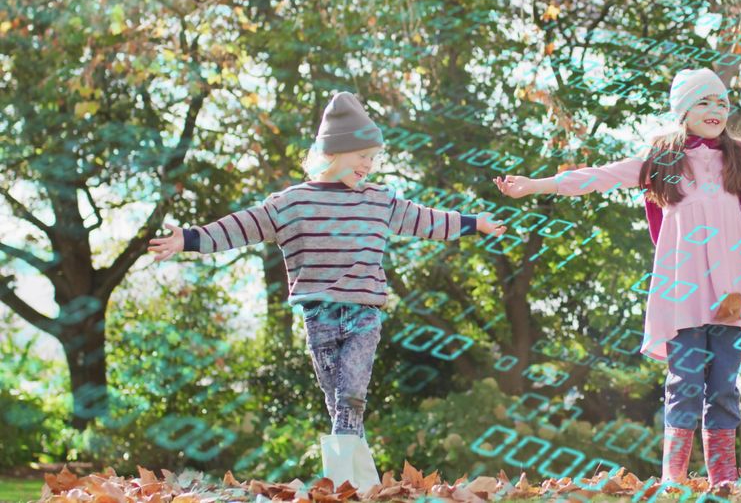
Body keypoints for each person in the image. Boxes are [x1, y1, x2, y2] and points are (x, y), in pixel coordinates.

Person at [494, 68, 741, 487]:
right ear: (683, 110)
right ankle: (672, 479)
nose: (715, 110)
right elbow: (597, 176)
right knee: (684, 383)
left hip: (732, 296)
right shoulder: (662, 162)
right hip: (683, 294)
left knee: (723, 387)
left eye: (721, 103)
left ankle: (723, 478)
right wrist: (535, 185)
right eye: (704, 102)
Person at [148, 91, 506, 491]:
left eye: (373, 157)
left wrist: (474, 223)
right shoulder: (292, 202)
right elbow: (242, 226)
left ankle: (338, 484)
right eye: (361, 156)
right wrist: (190, 239)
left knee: (350, 397)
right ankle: (363, 488)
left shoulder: (379, 201)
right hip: (318, 317)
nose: (369, 165)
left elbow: (424, 220)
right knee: (340, 403)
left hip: (363, 315)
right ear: (336, 152)